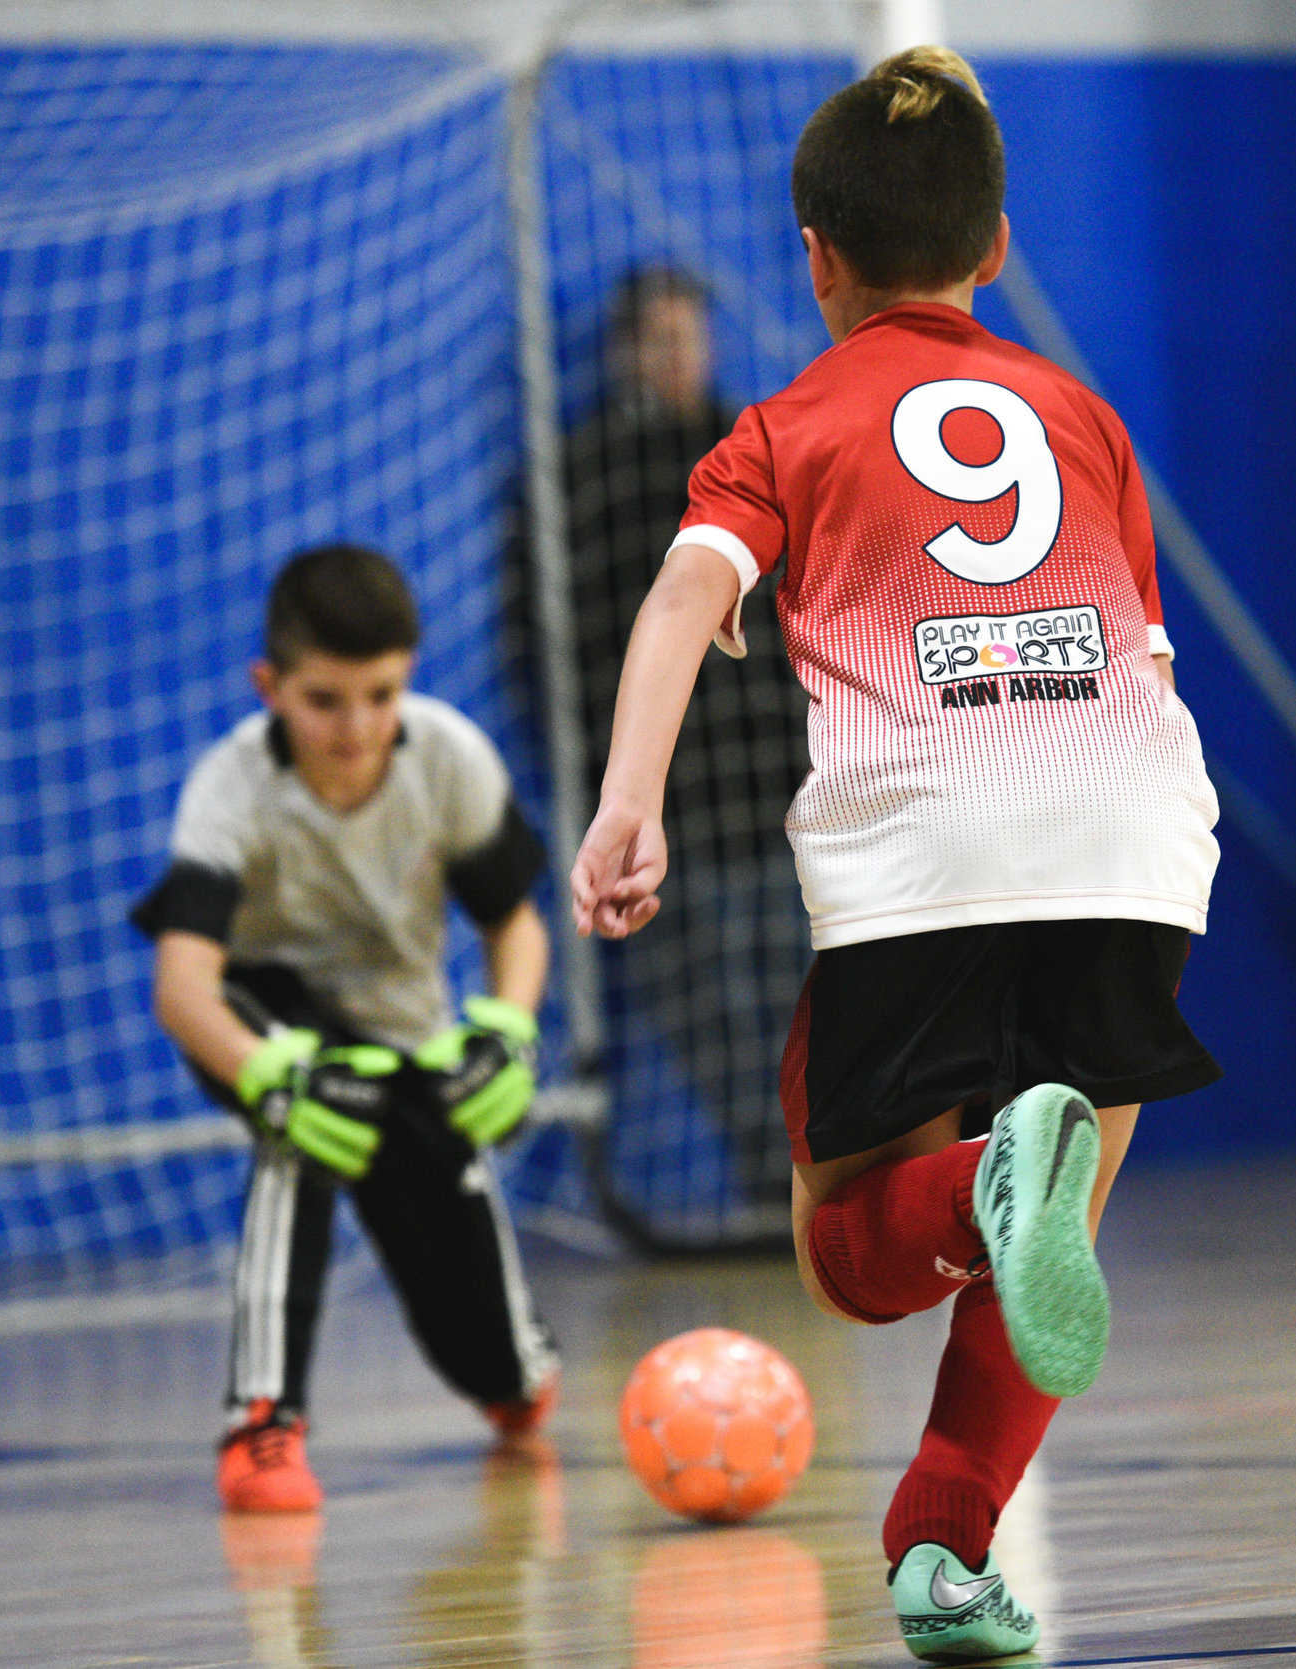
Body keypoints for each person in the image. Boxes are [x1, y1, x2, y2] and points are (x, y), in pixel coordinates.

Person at [569, 48, 1220, 1662]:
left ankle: (977, 1189)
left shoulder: (784, 422)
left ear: (817, 256)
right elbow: (1139, 642)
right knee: (1043, 1220)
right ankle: (945, 1551)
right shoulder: (1081, 414)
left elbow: (675, 599)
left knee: (861, 1254)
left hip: (929, 846)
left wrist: (625, 798)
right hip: (1133, 836)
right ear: (996, 246)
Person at [132, 545, 561, 1514]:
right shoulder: (229, 787)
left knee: (500, 1371)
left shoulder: (449, 756)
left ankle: (513, 1367)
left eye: (380, 695)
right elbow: (182, 986)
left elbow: (515, 922)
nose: (357, 727)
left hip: (406, 1037)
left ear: (407, 675)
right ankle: (262, 1423)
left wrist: (509, 1029)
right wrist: (268, 1076)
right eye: (325, 700)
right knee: (305, 1130)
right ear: (270, 687)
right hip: (265, 1017)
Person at [563, 266, 813, 1210]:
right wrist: (618, 774)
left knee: (801, 1005)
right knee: (710, 1016)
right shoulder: (590, 472)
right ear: (623, 350)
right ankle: (768, 1184)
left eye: (690, 334)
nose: (679, 354)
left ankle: (813, 1188)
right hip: (669, 800)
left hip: (777, 789)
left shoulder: (758, 454)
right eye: (657, 337)